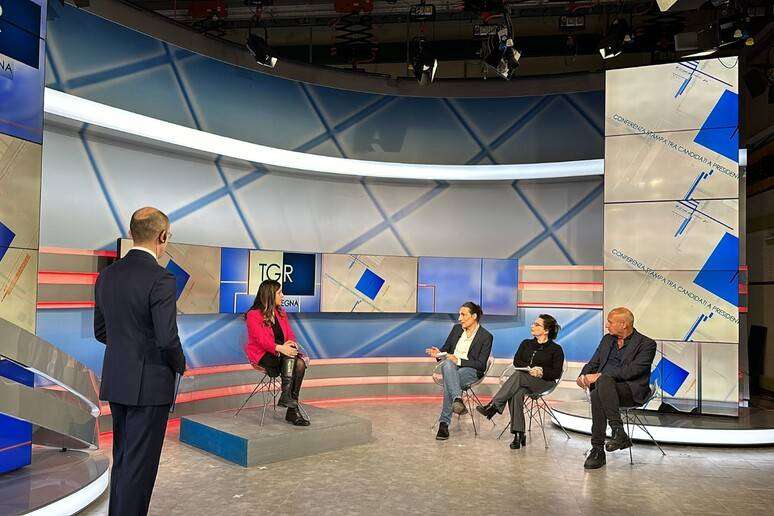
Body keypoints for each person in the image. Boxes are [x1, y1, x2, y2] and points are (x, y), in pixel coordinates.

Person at [94, 207, 187, 516]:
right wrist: (180, 364)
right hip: (150, 387)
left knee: (123, 462)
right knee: (140, 470)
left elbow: (101, 332)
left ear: (132, 233)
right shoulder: (162, 278)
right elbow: (167, 339)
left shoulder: (107, 275)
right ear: (162, 236)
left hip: (117, 381)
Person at [577, 307, 656, 470]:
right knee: (599, 390)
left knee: (602, 383)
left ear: (624, 324)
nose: (607, 325)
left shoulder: (647, 344)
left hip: (630, 390)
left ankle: (598, 450)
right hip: (604, 389)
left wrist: (600, 376)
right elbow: (593, 363)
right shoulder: (607, 340)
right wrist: (583, 376)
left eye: (610, 322)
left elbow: (632, 371)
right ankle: (618, 432)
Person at [476, 314, 564, 449]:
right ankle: (519, 434)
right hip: (524, 380)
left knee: (518, 376)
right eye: (533, 323)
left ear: (546, 330)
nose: (532, 326)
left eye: (537, 325)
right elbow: (517, 361)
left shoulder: (556, 349)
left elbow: (556, 372)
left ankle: (494, 406)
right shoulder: (526, 343)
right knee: (516, 393)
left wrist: (541, 372)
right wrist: (530, 369)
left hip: (544, 382)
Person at [245, 279, 309, 426]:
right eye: (279, 293)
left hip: (282, 354)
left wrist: (291, 343)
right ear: (270, 295)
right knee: (295, 361)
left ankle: (287, 399)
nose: (283, 295)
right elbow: (261, 340)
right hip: (263, 355)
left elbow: (290, 333)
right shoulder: (253, 315)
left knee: (298, 363)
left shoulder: (280, 312)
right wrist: (281, 348)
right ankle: (291, 407)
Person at [425, 301, 493, 440]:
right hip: (451, 367)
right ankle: (457, 398)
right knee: (447, 365)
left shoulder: (486, 336)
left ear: (474, 316)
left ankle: (444, 423)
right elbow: (446, 350)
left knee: (449, 381)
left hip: (471, 371)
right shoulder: (456, 329)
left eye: (463, 315)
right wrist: (438, 353)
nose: (459, 318)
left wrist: (459, 361)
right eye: (459, 315)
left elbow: (481, 365)